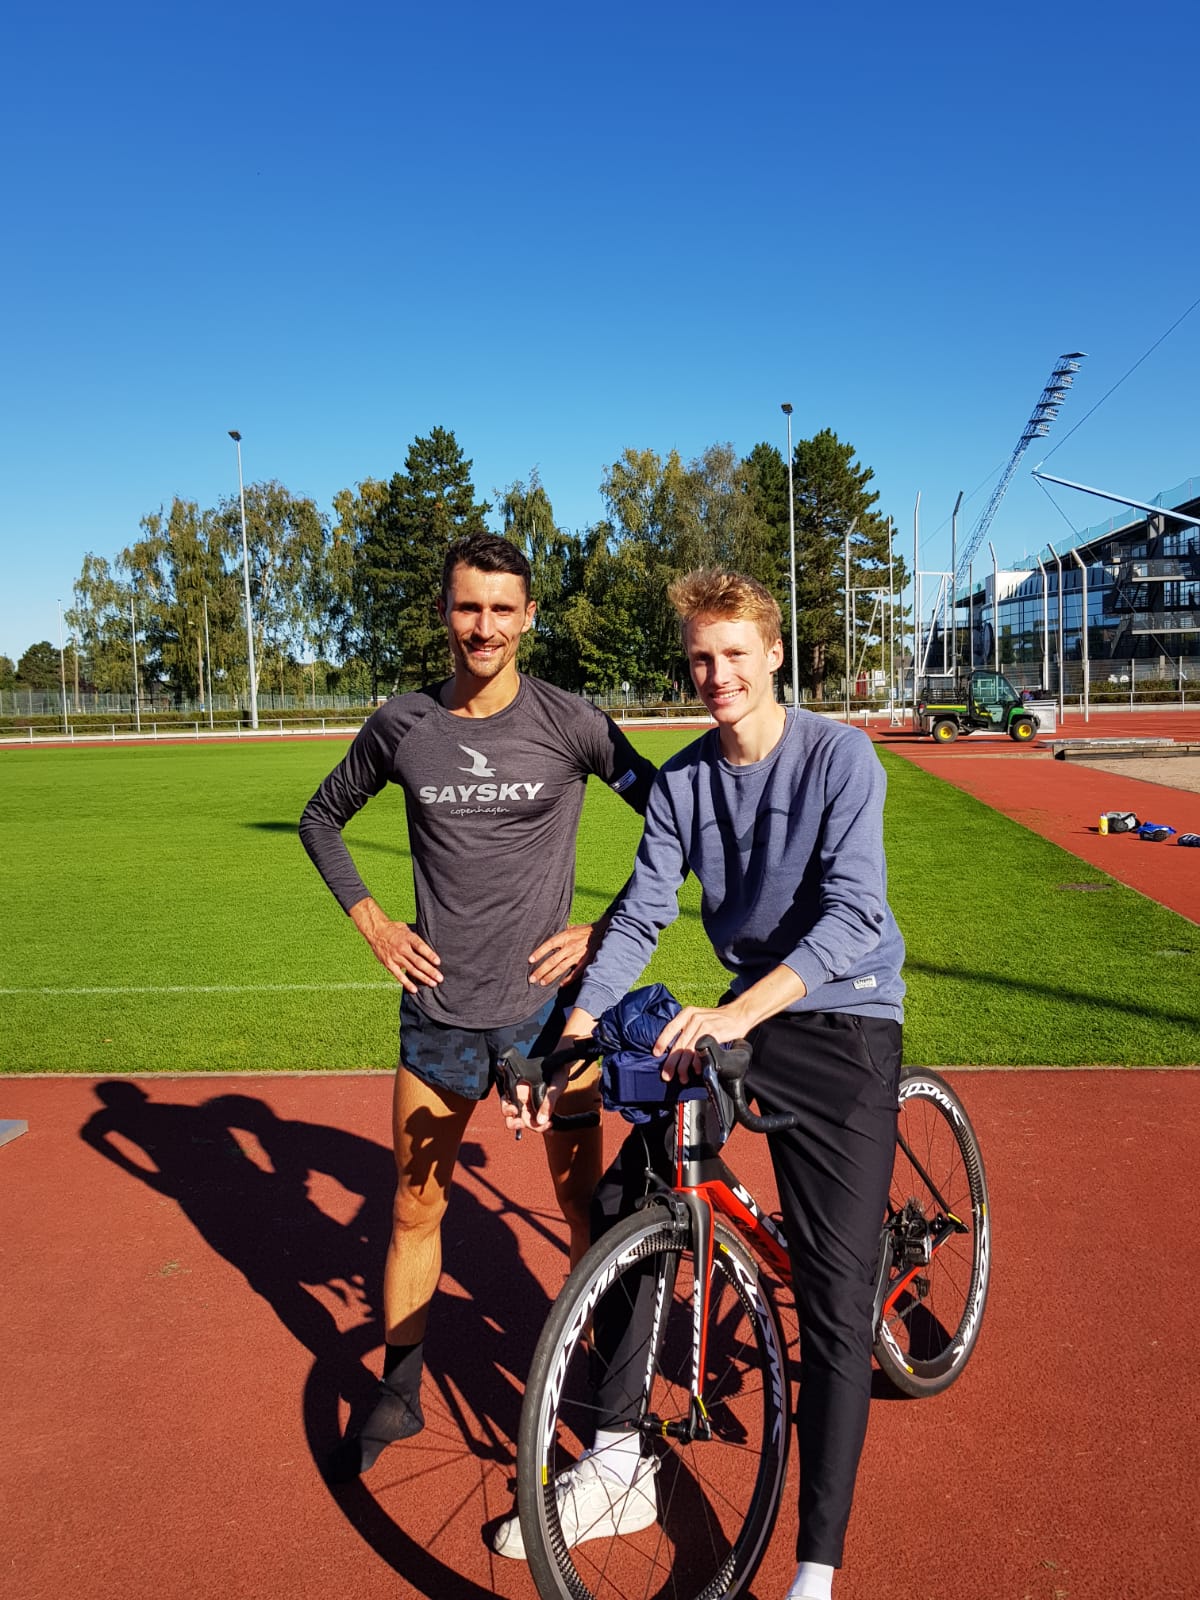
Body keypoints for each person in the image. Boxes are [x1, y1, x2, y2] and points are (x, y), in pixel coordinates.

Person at [497, 569, 905, 1600]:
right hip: (746, 1013)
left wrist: (737, 1012)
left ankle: (815, 1569)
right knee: (632, 1193)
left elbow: (856, 914)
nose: (716, 675)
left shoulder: (840, 756)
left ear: (774, 654)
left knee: (834, 1299)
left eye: (733, 654)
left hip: (846, 1015)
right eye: (699, 659)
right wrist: (572, 1036)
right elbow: (639, 913)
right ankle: (619, 1460)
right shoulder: (683, 782)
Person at [299, 531, 656, 1480]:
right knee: (415, 1207)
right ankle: (398, 1390)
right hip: (439, 1014)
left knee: (581, 1205)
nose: (484, 626)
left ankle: (602, 1391)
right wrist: (374, 923)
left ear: (529, 617)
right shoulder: (403, 724)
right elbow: (320, 818)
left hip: (551, 1015)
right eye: (468, 606)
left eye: (502, 608)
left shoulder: (573, 722)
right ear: (444, 612)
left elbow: (674, 823)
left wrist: (606, 929)